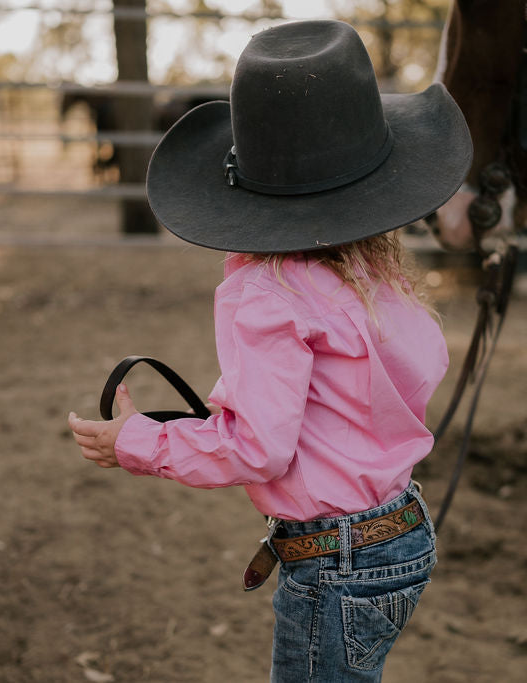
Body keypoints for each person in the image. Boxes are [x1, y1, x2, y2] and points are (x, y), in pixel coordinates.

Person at [66, 19, 472, 682]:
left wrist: (134, 441)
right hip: (400, 535)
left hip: (336, 561)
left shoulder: (264, 290)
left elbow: (258, 448)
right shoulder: (374, 268)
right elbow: (374, 390)